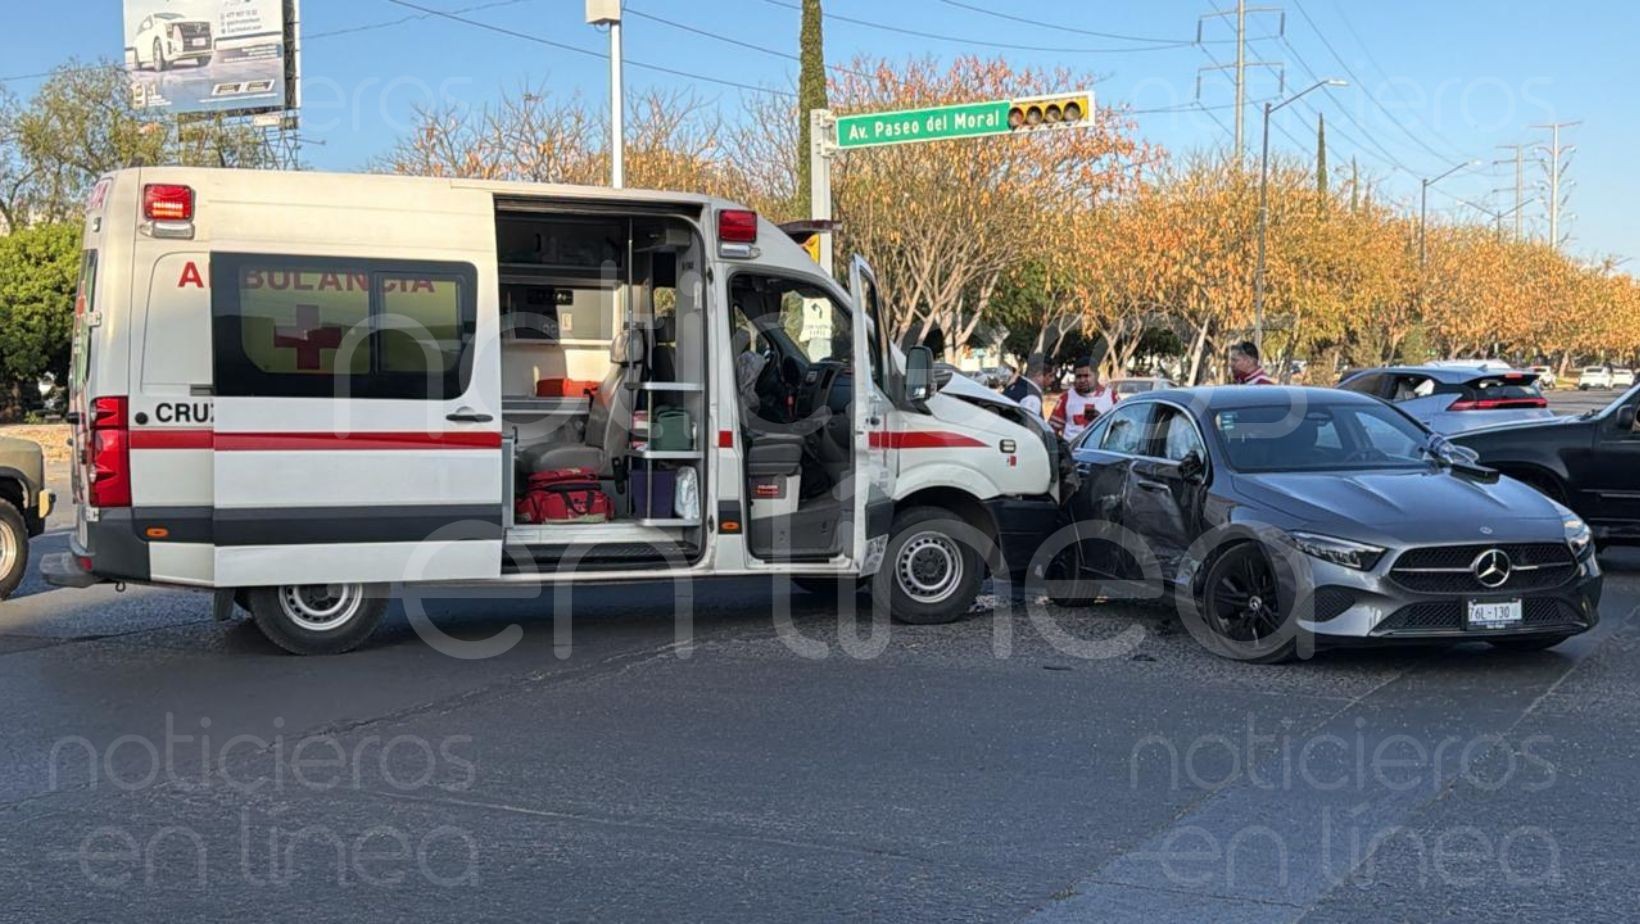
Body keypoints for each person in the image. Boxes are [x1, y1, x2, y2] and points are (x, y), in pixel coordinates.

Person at [1049, 358, 1118, 442]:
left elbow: (1122, 427)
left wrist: (1102, 420)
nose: (1082, 380)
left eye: (1086, 376)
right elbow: (1052, 430)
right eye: (1078, 376)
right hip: (1072, 452)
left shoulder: (1111, 397)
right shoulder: (1066, 398)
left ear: (1097, 375)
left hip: (1101, 451)